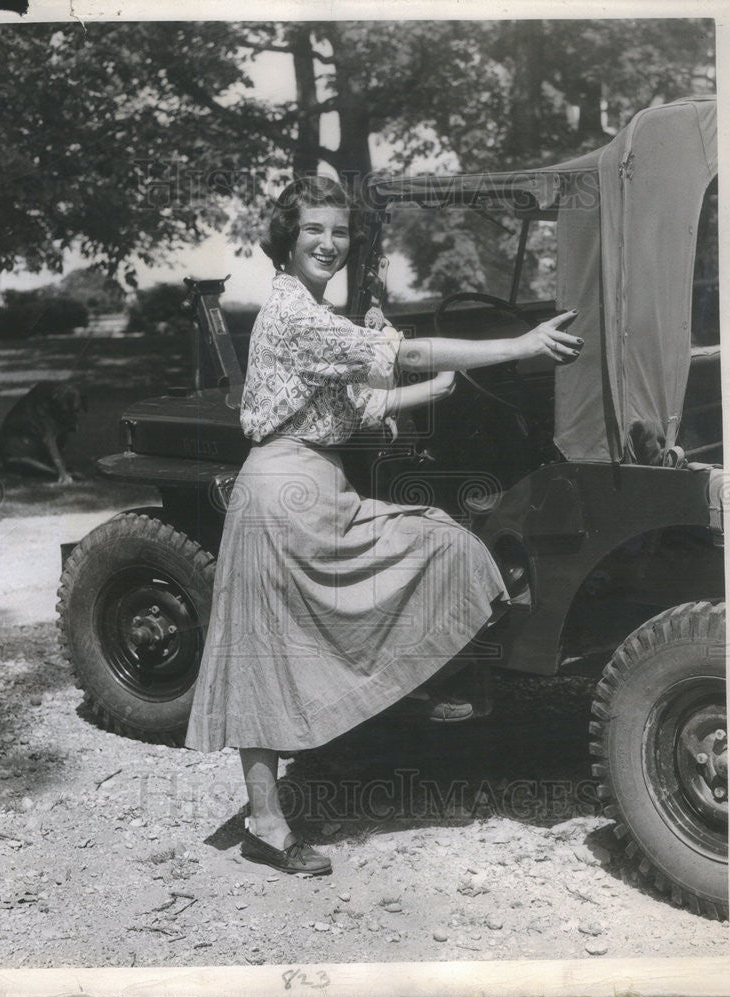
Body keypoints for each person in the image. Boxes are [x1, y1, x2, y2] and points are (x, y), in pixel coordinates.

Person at [184, 176, 582, 876]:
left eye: (339, 232)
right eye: (315, 230)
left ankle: (413, 692)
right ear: (288, 236)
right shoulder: (295, 313)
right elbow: (408, 353)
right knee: (275, 650)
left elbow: (341, 408)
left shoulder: (304, 308)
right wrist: (519, 344)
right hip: (284, 497)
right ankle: (270, 823)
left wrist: (424, 395)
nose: (329, 244)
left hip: (312, 486)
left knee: (429, 549)